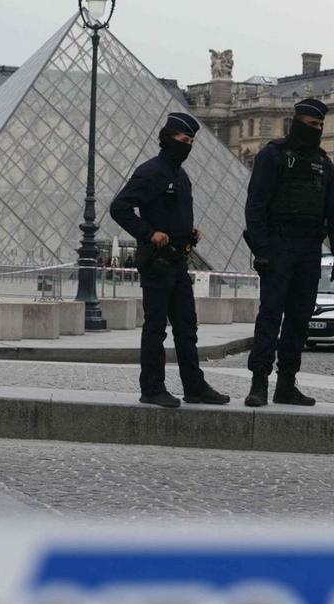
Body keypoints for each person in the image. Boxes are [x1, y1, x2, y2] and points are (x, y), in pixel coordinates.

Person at [110, 112, 230, 408]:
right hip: (158, 262)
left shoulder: (181, 175)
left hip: (179, 260)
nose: (187, 145)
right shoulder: (150, 171)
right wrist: (149, 233)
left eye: (191, 141)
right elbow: (119, 208)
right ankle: (152, 388)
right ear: (167, 139)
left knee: (187, 327)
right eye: (183, 139)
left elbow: (173, 213)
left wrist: (189, 232)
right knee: (156, 327)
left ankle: (194, 386)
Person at [243, 99, 334, 408]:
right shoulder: (272, 155)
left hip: (309, 250)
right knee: (270, 316)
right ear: (297, 122)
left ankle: (287, 382)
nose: (316, 130)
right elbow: (256, 206)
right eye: (312, 125)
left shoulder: (323, 163)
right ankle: (259, 382)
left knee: (300, 319)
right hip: (279, 245)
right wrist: (262, 250)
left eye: (320, 126)